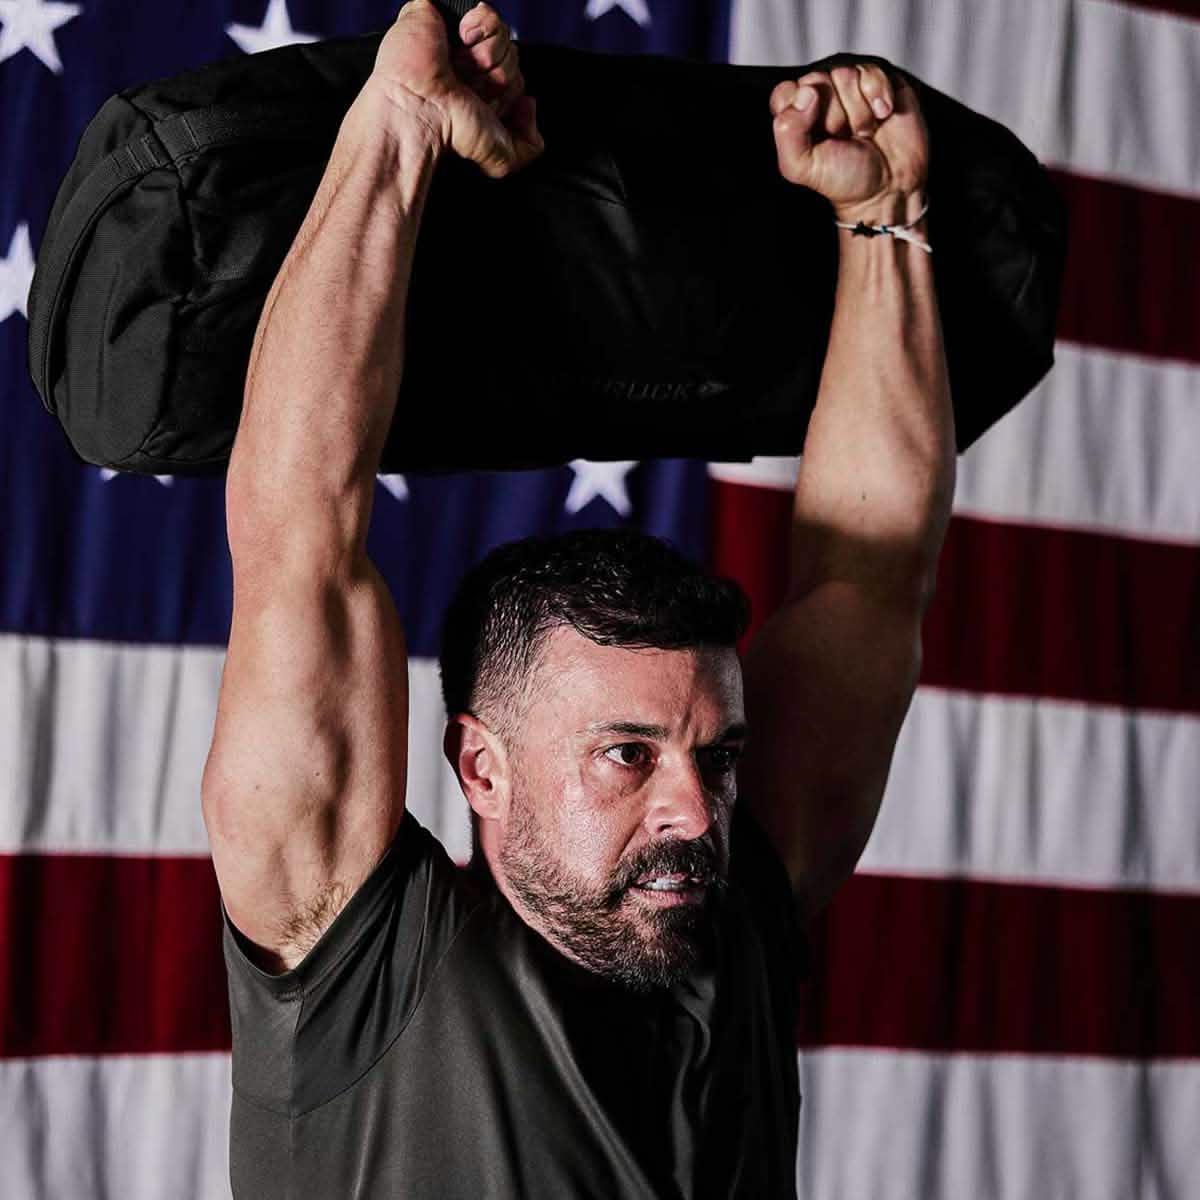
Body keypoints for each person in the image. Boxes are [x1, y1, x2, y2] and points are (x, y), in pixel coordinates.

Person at [200, 1, 955, 1196]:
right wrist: (397, 126)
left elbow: (872, 575)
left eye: (716, 755)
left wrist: (884, 219)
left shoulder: (731, 913)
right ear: (482, 767)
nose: (696, 813)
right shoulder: (351, 948)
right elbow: (298, 524)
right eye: (626, 753)